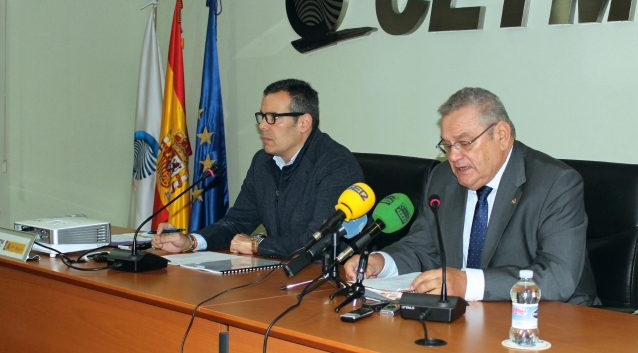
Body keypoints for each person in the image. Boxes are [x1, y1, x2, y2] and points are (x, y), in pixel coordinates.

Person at [344, 87, 599, 305]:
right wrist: (381, 262)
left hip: (549, 321)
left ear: (501, 135)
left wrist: (467, 283)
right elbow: (422, 247)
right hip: (467, 319)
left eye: (465, 143)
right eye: (447, 145)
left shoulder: (556, 183)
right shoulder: (443, 178)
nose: (453, 156)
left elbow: (558, 277)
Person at [152, 79, 364, 258]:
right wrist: (190, 241)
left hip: (325, 278)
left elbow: (318, 239)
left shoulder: (336, 165)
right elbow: (237, 222)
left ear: (304, 123)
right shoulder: (263, 162)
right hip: (278, 271)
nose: (263, 125)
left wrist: (257, 245)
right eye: (262, 117)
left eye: (273, 118)